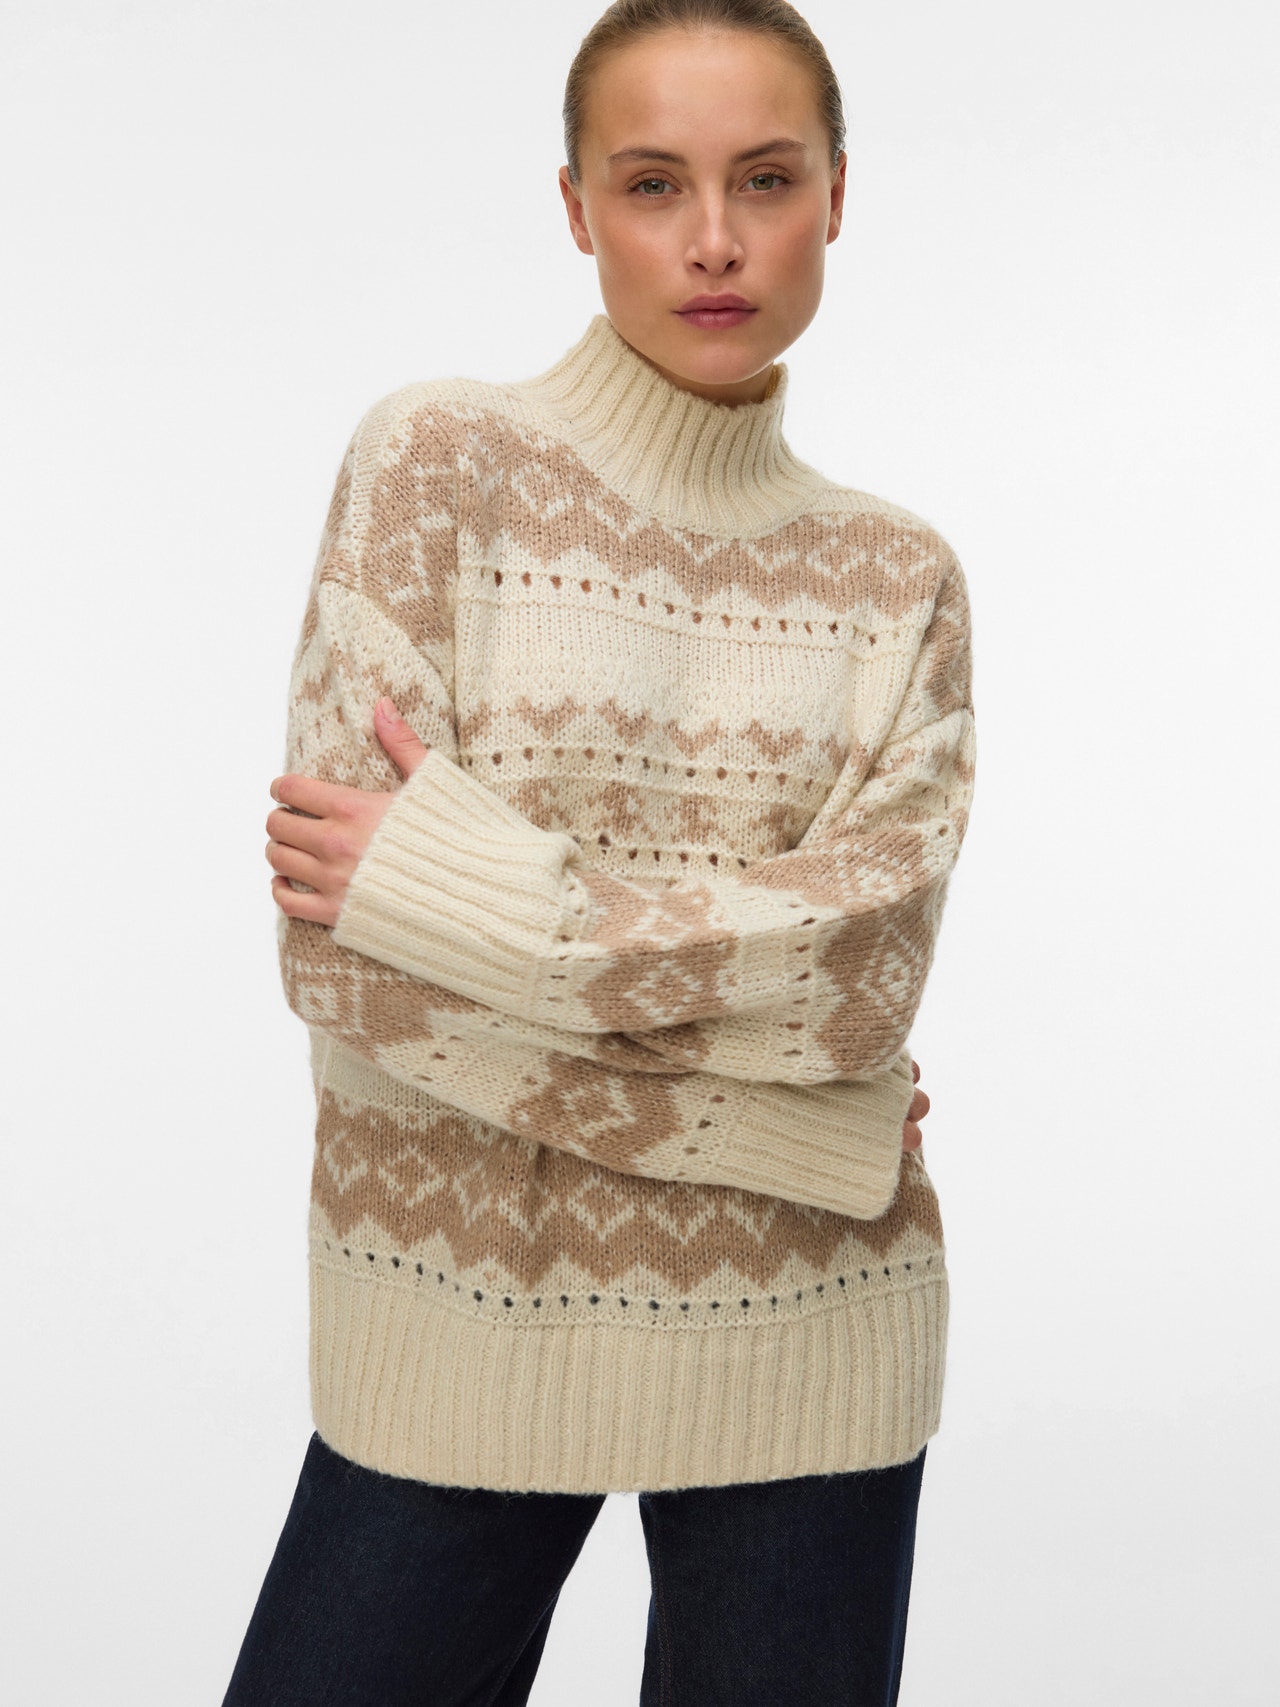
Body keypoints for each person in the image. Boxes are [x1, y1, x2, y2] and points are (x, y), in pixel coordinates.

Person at [224, 2, 977, 1702]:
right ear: (576, 206)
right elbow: (346, 961)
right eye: (652, 184)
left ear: (837, 196)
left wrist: (471, 895)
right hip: (450, 1314)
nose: (713, 240)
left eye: (764, 179)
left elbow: (860, 981)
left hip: (812, 1335)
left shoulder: (900, 580)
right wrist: (809, 1124)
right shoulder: (437, 468)